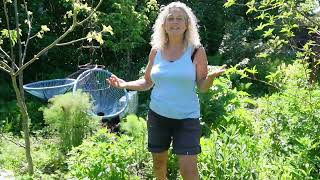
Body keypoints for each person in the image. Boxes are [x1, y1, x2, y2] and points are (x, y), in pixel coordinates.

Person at [107, 1, 226, 179]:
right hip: (158, 117)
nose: (175, 22)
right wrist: (124, 84)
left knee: (189, 171)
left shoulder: (196, 51)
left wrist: (210, 78)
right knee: (159, 166)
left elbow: (202, 87)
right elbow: (147, 83)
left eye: (180, 19)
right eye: (171, 18)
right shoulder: (156, 51)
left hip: (187, 119)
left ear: (187, 24)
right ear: (164, 24)